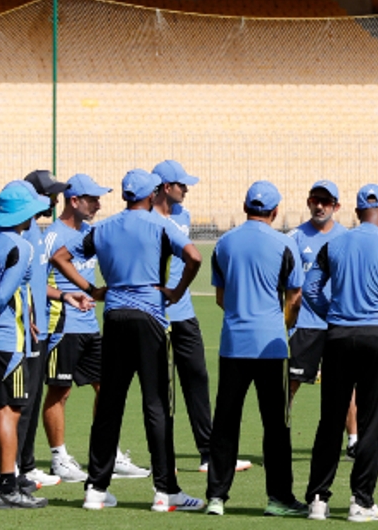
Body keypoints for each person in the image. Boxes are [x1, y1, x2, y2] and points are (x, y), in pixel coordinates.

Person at [51, 168, 205, 512]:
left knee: (109, 405)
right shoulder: (160, 224)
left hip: (114, 318)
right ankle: (166, 492)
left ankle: (95, 489)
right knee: (157, 405)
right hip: (150, 319)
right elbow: (194, 257)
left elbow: (59, 256)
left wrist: (92, 289)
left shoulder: (103, 228)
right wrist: (177, 292)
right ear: (151, 195)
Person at [0, 182, 89, 509]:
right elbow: (4, 293)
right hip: (8, 344)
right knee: (9, 410)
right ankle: (8, 487)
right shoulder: (21, 246)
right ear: (24, 214)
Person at [304, 184, 378, 521]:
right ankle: (361, 501)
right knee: (371, 424)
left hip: (338, 337)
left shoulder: (333, 244)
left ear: (355, 212)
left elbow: (311, 288)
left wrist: (335, 313)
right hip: (377, 339)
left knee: (330, 420)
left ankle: (317, 501)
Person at [205, 181, 306, 517]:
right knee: (276, 425)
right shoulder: (284, 243)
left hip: (233, 343)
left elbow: (221, 297)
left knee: (225, 422)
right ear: (275, 212)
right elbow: (294, 298)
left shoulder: (224, 243)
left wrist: (241, 315)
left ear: (245, 206)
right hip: (271, 347)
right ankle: (278, 498)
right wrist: (281, 322)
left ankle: (216, 497)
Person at [151, 160, 248, 474]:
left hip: (185, 312)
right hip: (155, 315)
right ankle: (164, 459)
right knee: (161, 389)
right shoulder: (146, 219)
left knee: (198, 378)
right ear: (166, 187)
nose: (187, 189)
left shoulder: (184, 215)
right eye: (182, 185)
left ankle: (209, 453)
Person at [42, 174, 130, 485]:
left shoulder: (91, 232)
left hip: (90, 325)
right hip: (62, 325)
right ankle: (59, 458)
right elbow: (38, 283)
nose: (99, 204)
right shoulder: (52, 236)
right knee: (59, 392)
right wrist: (83, 292)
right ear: (74, 201)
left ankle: (108, 453)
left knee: (107, 388)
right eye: (92, 199)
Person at [287, 181, 353, 457]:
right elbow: (286, 283)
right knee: (289, 384)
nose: (320, 206)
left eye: (326, 202)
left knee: (347, 385)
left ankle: (354, 441)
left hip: (337, 324)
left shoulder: (347, 238)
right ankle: (279, 435)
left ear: (336, 206)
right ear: (308, 202)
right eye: (315, 200)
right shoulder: (294, 237)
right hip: (305, 325)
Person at [15, 169, 69, 488]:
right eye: (51, 194)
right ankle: (19, 467)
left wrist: (62, 296)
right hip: (26, 328)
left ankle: (27, 463)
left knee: (32, 398)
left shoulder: (34, 228)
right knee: (22, 401)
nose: (56, 199)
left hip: (40, 328)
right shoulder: (23, 232)